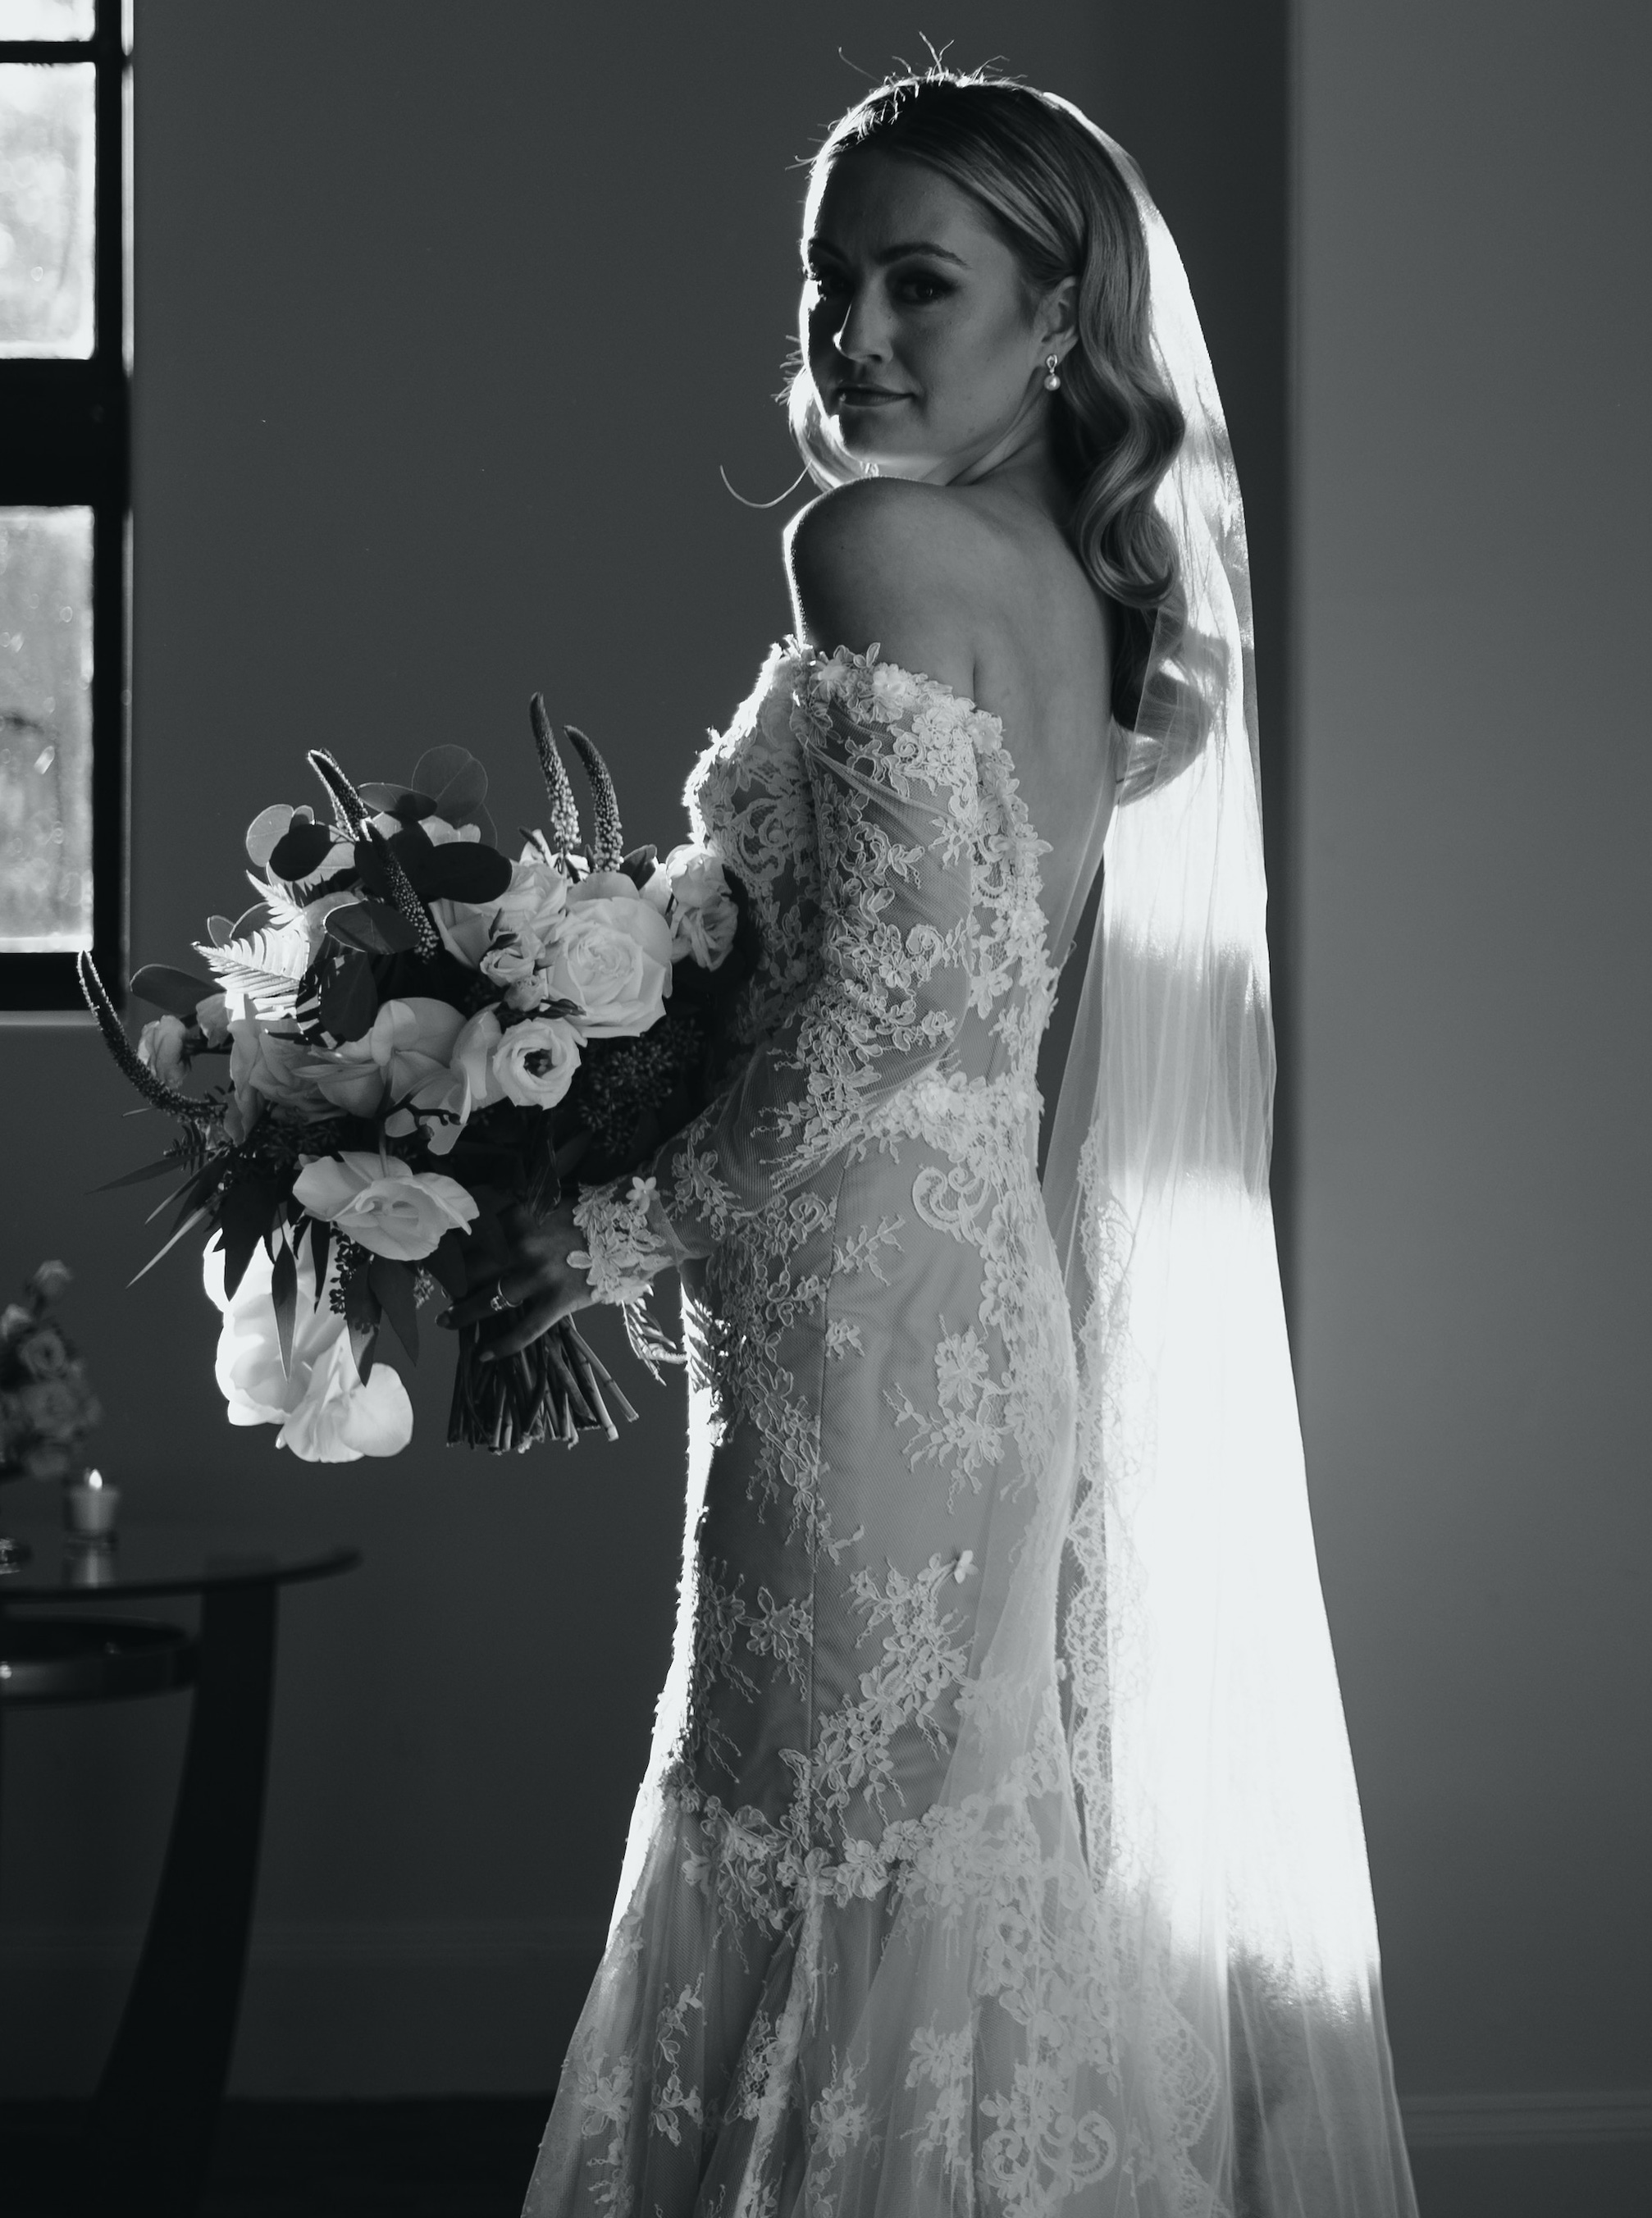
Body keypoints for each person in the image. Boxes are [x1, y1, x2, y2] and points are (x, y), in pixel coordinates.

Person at [446, 68, 1418, 2218]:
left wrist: (607, 1222)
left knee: (819, 1859)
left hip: (860, 1311)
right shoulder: (1081, 589)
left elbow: (865, 1036)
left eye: (919, 284)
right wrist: (624, 1078)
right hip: (955, 1312)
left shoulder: (868, 542)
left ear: (1060, 326)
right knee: (924, 1872)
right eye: (831, 283)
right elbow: (895, 1005)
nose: (856, 335)